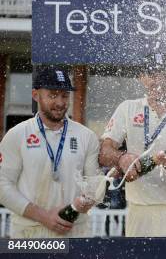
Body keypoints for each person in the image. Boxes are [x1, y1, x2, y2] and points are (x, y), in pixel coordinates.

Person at [99, 52, 166, 237]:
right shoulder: (128, 108)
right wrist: (122, 158)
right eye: (152, 74)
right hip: (139, 210)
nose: (158, 80)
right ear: (142, 77)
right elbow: (104, 152)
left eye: (165, 74)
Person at [0, 67, 100, 237]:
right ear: (35, 95)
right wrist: (44, 216)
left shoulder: (87, 136)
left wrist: (87, 200)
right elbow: (2, 186)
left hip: (74, 232)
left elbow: (94, 185)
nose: (60, 103)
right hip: (29, 233)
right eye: (53, 95)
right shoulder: (17, 135)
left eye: (64, 95)